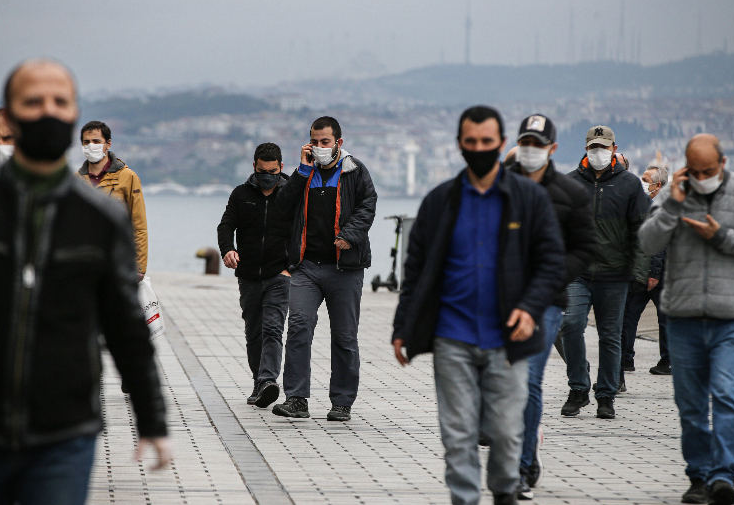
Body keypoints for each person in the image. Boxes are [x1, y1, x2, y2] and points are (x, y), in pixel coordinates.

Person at [0, 59, 170, 504]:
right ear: (12, 116)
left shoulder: (99, 216)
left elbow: (126, 325)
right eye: (33, 102)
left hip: (64, 433)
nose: (48, 111)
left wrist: (151, 420)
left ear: (73, 114)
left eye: (60, 101)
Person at [392, 106, 565, 505]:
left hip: (509, 336)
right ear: (459, 145)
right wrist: (403, 328)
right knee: (458, 432)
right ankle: (465, 499)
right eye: (471, 142)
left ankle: (505, 490)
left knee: (506, 430)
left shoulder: (528, 199)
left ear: (502, 144)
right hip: (452, 334)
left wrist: (530, 307)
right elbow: (415, 270)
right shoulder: (440, 202)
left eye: (487, 142)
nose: (479, 149)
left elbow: (552, 262)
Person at [640, 134, 734, 505]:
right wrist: (672, 203)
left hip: (731, 316)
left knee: (725, 396)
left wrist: (720, 236)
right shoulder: (675, 194)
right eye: (697, 171)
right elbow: (647, 241)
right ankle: (698, 474)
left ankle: (723, 475)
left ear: (722, 163)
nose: (703, 176)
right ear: (687, 167)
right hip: (683, 315)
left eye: (710, 170)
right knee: (690, 404)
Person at [507, 115, 596, 499]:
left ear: (552, 148)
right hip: (497, 301)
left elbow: (586, 248)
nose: (530, 149)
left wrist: (555, 275)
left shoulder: (571, 193)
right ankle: (514, 443)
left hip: (545, 301)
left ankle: (523, 467)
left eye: (537, 143)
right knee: (497, 383)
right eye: (525, 141)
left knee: (527, 382)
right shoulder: (495, 186)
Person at [272, 116, 377, 422]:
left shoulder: (354, 171)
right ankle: (296, 399)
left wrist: (349, 236)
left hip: (345, 268)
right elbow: (282, 206)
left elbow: (368, 205)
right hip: (306, 267)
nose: (319, 147)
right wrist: (302, 170)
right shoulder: (304, 174)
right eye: (314, 142)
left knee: (344, 336)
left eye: (325, 142)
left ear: (338, 143)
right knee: (299, 327)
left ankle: (342, 402)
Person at [560, 126, 651, 419]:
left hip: (615, 273)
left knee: (610, 336)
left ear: (614, 148)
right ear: (586, 148)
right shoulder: (569, 183)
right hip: (578, 272)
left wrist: (639, 273)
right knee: (571, 325)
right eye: (593, 147)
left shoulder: (629, 185)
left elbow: (642, 232)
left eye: (603, 147)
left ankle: (606, 395)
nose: (598, 152)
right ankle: (578, 387)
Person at [217, 142, 292, 408]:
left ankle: (268, 380)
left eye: (273, 171)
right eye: (262, 170)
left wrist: (290, 267)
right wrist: (228, 249)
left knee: (273, 328)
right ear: (254, 167)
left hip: (279, 274)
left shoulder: (291, 194)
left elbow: (303, 232)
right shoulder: (241, 194)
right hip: (248, 275)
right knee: (254, 332)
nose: (267, 175)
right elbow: (226, 225)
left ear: (281, 168)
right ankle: (258, 382)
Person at [76, 120, 148, 279]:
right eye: (86, 142)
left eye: (96, 141)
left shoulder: (128, 177)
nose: (91, 146)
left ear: (108, 144)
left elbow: (139, 225)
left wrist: (139, 267)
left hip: (117, 260)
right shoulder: (75, 181)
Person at [620, 165, 671, 378]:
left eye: (645, 178)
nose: (641, 182)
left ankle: (667, 360)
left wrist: (654, 272)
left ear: (657, 185)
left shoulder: (663, 207)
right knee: (629, 316)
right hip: (641, 271)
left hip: (659, 274)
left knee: (664, 318)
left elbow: (659, 244)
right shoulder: (643, 204)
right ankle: (625, 359)